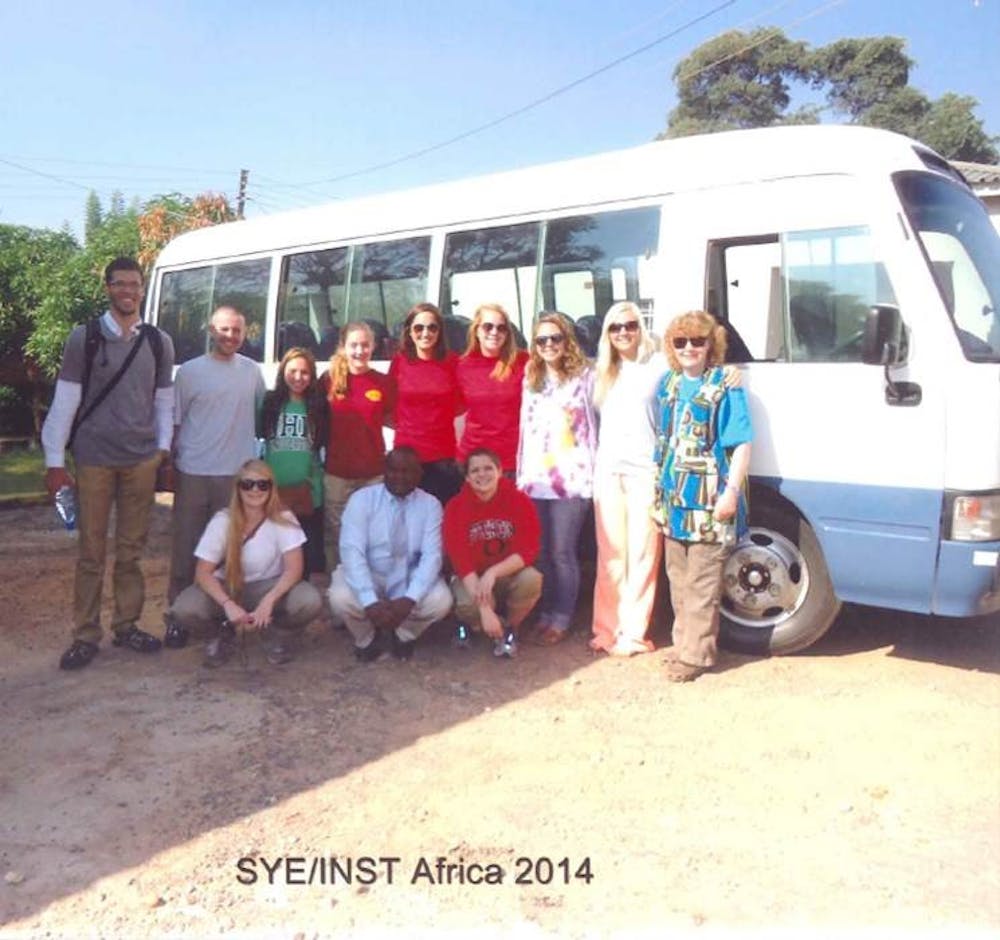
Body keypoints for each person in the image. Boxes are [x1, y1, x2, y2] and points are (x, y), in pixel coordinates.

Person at [41, 257, 175, 670]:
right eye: (120, 284)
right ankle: (85, 635)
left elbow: (164, 401)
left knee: (131, 552)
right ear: (108, 288)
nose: (128, 291)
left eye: (134, 284)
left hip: (140, 461)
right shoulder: (85, 338)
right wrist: (54, 461)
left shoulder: (158, 342)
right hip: (94, 458)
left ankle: (127, 625)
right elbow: (66, 401)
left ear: (142, 288)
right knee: (91, 553)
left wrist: (162, 452)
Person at [653, 311, 752, 682]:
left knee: (703, 582)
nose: (689, 348)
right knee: (678, 579)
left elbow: (741, 443)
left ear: (712, 345)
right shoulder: (670, 384)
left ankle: (696, 656)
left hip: (709, 499)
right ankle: (684, 648)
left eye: (698, 341)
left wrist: (731, 493)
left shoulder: (726, 386)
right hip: (673, 499)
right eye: (681, 342)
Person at [167, 460, 324, 667]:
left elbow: (294, 569)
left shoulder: (284, 518)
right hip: (228, 586)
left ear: (271, 488)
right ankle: (220, 633)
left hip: (267, 585)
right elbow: (203, 573)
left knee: (309, 600)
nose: (255, 490)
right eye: (247, 484)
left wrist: (269, 601)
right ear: (238, 488)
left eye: (262, 484)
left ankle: (274, 631)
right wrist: (227, 604)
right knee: (184, 608)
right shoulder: (223, 521)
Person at [166, 305, 265, 634]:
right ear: (211, 330)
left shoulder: (252, 372)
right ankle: (177, 618)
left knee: (229, 553)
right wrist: (169, 465)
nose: (230, 336)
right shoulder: (190, 372)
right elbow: (175, 424)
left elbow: (263, 416)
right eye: (224, 330)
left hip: (236, 477)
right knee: (185, 550)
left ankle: (225, 618)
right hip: (193, 471)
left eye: (236, 330)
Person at [589, 302, 666, 657]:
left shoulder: (659, 366)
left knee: (643, 554)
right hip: (607, 472)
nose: (623, 332)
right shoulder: (601, 371)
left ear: (641, 327)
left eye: (630, 325)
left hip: (645, 472)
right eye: (616, 327)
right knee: (611, 555)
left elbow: (701, 364)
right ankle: (605, 630)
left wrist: (731, 375)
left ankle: (634, 633)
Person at [516, 313, 598, 645]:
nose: (549, 345)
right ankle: (547, 611)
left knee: (563, 552)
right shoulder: (530, 378)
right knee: (541, 552)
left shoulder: (586, 377)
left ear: (567, 340)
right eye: (541, 340)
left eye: (555, 338)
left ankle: (562, 616)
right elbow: (526, 429)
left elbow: (599, 423)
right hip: (535, 478)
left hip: (572, 479)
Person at [327, 447, 452, 661]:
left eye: (407, 471)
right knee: (340, 597)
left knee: (441, 601)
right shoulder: (361, 500)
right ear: (384, 471)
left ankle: (404, 634)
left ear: (419, 474)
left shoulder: (430, 505)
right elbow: (352, 553)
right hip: (371, 572)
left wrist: (410, 599)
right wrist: (369, 601)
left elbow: (432, 557)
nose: (399, 477)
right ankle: (366, 638)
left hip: (408, 575)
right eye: (393, 470)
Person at [443, 448, 542, 657]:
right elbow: (460, 560)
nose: (482, 474)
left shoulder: (519, 500)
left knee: (531, 579)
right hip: (471, 577)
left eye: (488, 468)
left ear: (499, 471)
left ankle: (509, 628)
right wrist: (485, 610)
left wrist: (493, 572)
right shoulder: (456, 507)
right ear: (467, 478)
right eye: (475, 470)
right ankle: (474, 624)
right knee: (469, 605)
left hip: (504, 574)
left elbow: (529, 549)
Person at [318, 321, 397, 568]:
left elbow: (394, 420)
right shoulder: (328, 380)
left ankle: (370, 580)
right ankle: (338, 580)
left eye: (365, 345)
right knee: (335, 533)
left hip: (373, 473)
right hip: (337, 473)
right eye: (354, 345)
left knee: (373, 533)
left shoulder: (383, 382)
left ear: (373, 346)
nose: (359, 351)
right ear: (343, 347)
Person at [259, 347, 328, 582]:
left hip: (307, 493)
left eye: (305, 372)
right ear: (282, 372)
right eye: (293, 371)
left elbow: (323, 445)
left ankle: (300, 604)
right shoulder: (270, 404)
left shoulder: (318, 406)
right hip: (273, 493)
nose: (298, 378)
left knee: (303, 554)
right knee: (273, 552)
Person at [388, 303, 464, 505]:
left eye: (432, 327)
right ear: (409, 332)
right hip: (406, 459)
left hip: (443, 458)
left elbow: (462, 405)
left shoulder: (453, 362)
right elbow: (388, 405)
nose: (425, 333)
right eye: (418, 328)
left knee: (442, 520)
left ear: (440, 331)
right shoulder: (399, 362)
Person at [455, 303, 528, 475]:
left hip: (513, 461)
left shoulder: (523, 362)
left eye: (501, 328)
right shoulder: (462, 366)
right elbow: (456, 414)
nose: (494, 332)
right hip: (474, 460)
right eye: (488, 327)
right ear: (477, 331)